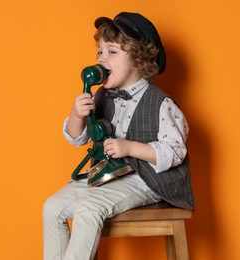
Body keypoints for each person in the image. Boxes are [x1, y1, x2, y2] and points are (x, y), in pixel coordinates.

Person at [43, 12, 194, 260]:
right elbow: (78, 138)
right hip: (109, 175)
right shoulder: (101, 96)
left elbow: (174, 151)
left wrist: (130, 148)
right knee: (52, 208)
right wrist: (77, 114)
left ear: (138, 60)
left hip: (147, 179)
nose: (102, 59)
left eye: (112, 52)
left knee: (88, 207)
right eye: (100, 52)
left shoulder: (160, 103)